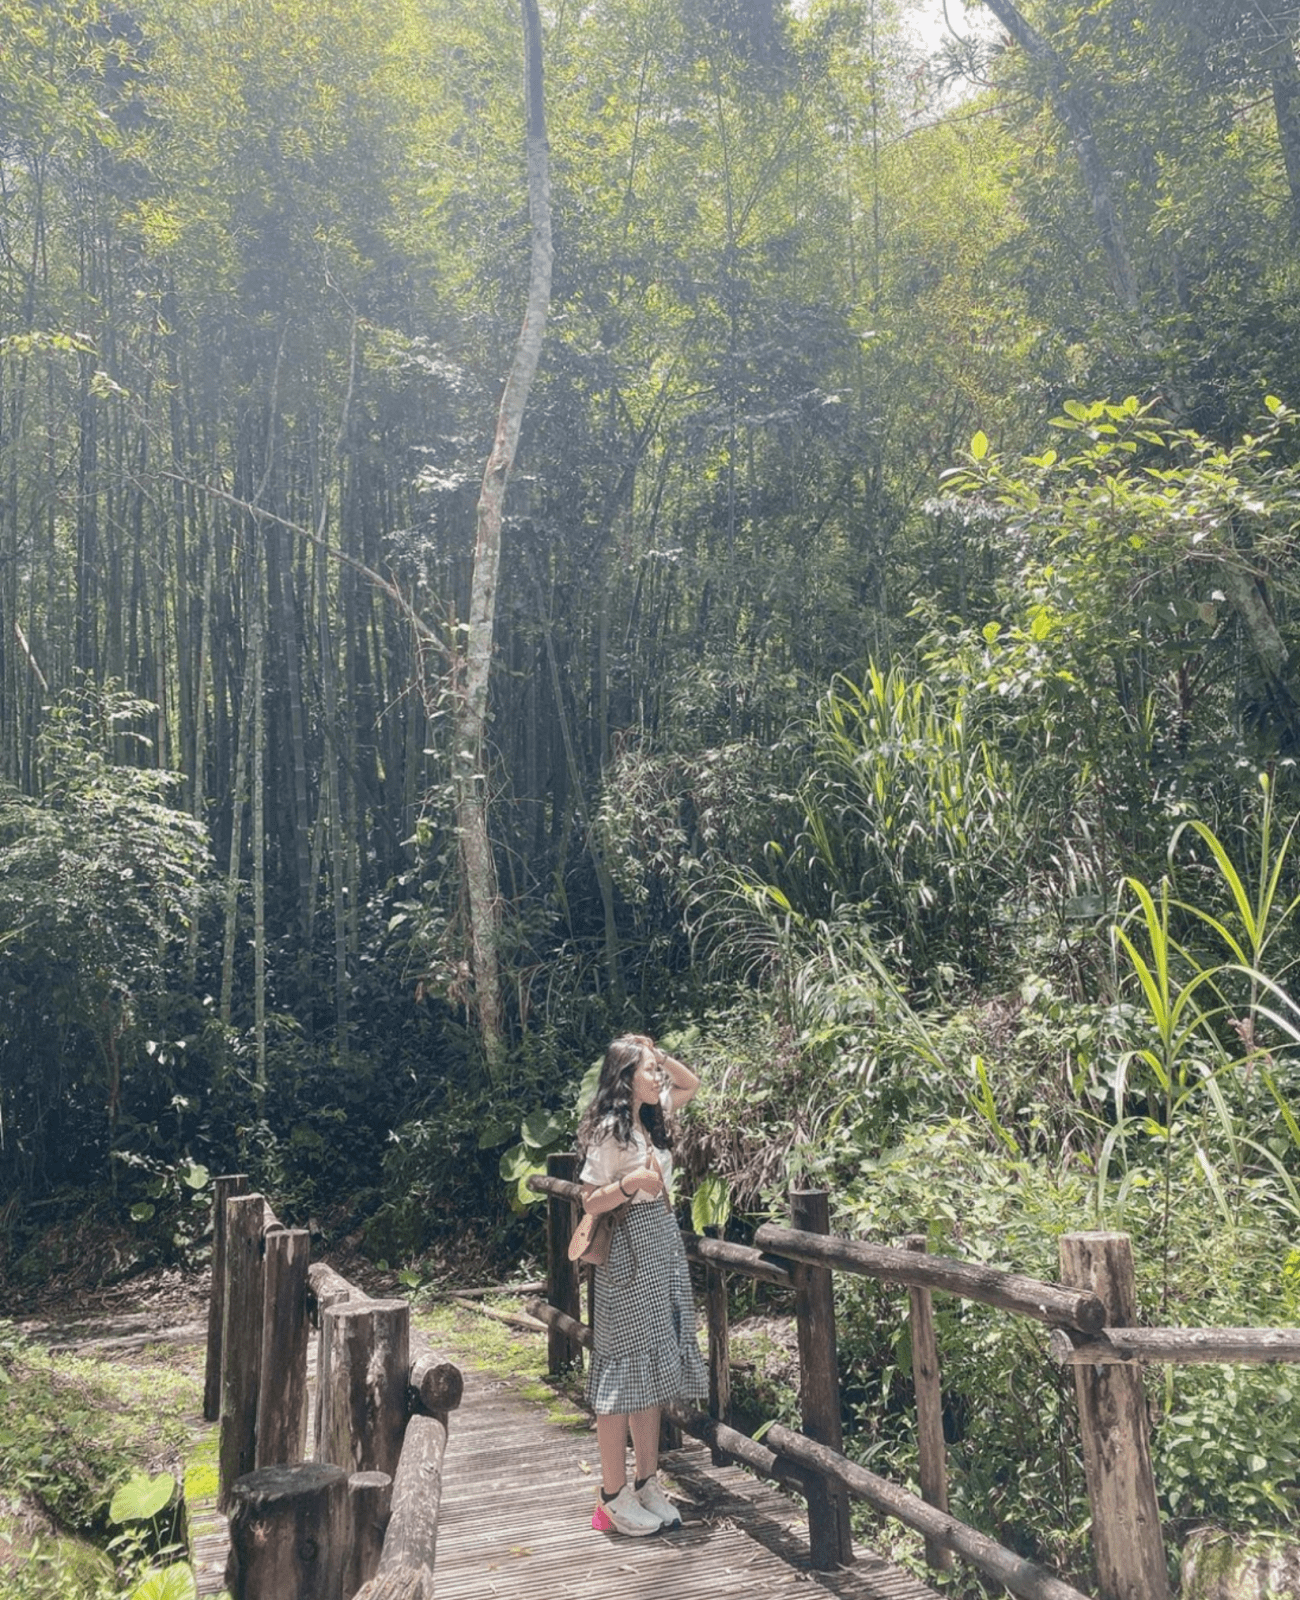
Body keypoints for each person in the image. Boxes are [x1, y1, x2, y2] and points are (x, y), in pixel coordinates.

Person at [576, 1033, 709, 1536]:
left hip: (661, 1251)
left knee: (651, 1368)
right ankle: (612, 1495)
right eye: (650, 1070)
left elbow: (691, 1084)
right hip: (628, 1255)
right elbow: (589, 1200)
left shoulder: (649, 1118)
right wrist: (631, 1184)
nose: (659, 1077)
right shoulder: (612, 1130)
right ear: (625, 1077)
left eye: (657, 1070)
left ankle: (647, 1481)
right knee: (621, 1370)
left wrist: (657, 1051)